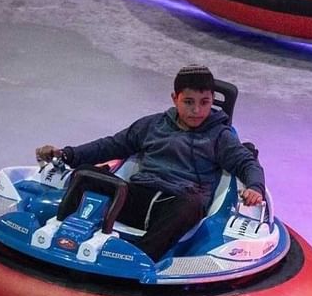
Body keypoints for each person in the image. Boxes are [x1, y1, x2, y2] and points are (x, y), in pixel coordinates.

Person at [35, 65, 265, 262]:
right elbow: (111, 145)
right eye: (188, 102)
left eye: (204, 102)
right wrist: (66, 154)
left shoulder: (220, 136)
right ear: (174, 98)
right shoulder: (153, 125)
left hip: (175, 203)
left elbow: (246, 163)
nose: (197, 110)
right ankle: (60, 234)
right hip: (134, 196)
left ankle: (140, 258)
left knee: (190, 205)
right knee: (84, 175)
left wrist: (255, 187)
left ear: (212, 100)